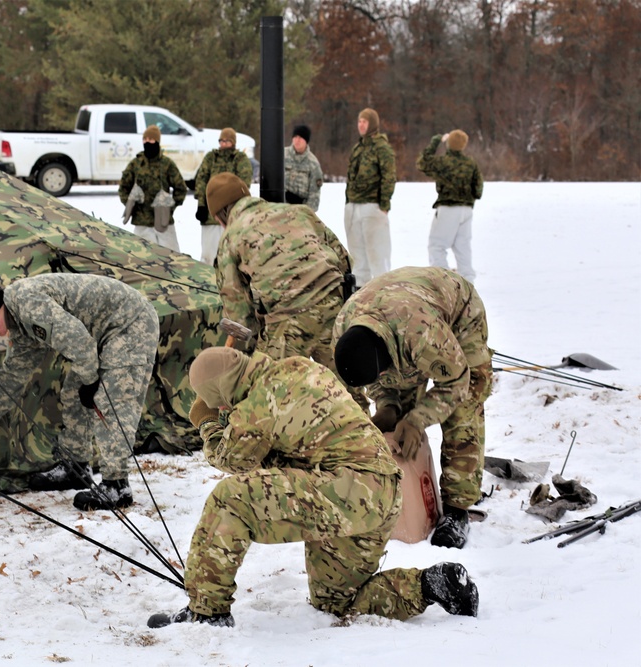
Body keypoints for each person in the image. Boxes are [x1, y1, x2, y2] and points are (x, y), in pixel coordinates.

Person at [148, 346, 479, 628]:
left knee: (230, 500)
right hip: (381, 492)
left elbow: (231, 460)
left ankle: (206, 613)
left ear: (220, 393)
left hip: (346, 488)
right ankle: (432, 585)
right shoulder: (297, 367)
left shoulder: (259, 404)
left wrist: (208, 422)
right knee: (336, 601)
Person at [0, 274, 159, 511]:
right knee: (73, 394)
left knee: (110, 399)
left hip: (130, 324)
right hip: (100, 334)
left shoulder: (29, 305)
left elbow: (78, 341)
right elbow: (15, 372)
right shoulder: (19, 322)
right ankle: (76, 467)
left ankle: (116, 485)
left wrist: (91, 381)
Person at [332, 266, 492, 549]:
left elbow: (457, 380)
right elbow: (378, 378)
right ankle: (403, 497)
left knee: (463, 409)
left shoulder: (421, 333)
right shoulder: (344, 330)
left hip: (458, 314)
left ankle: (458, 508)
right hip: (397, 319)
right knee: (399, 422)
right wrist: (388, 403)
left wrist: (418, 420)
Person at [204, 172, 366, 408]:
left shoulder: (230, 239)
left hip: (288, 322)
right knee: (348, 393)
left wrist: (241, 354)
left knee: (270, 398)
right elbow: (344, 259)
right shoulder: (298, 212)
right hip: (334, 307)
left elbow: (239, 314)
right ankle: (370, 439)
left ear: (219, 216)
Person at [417, 130, 484, 282]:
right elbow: (478, 190)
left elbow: (423, 161)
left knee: (437, 246)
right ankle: (468, 282)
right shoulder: (471, 164)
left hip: (447, 209)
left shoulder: (442, 162)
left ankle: (443, 282)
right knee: (463, 249)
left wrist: (436, 140)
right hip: (466, 210)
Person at [344, 108, 396, 285]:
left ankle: (383, 294)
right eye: (359, 121)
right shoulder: (358, 148)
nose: (361, 124)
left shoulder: (382, 148)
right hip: (353, 206)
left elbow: (389, 176)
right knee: (357, 257)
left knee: (378, 255)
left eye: (364, 121)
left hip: (372, 206)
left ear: (372, 124)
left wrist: (383, 205)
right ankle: (360, 295)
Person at [119, 124, 187, 252]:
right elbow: (123, 187)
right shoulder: (136, 164)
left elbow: (181, 188)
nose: (147, 142)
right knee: (141, 258)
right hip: (141, 222)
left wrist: (170, 208)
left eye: (150, 140)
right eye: (145, 140)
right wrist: (130, 205)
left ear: (157, 141)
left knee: (172, 258)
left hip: (163, 222)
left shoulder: (166, 164)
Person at [193, 127, 253, 265]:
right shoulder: (211, 158)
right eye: (221, 140)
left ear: (233, 142)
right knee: (208, 254)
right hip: (210, 216)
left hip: (232, 216)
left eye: (227, 141)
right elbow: (201, 180)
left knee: (231, 255)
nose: (223, 144)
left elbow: (244, 183)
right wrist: (202, 204)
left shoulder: (240, 159)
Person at [283, 124, 323, 210]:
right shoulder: (282, 156)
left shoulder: (313, 164)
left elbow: (314, 195)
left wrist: (306, 213)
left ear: (306, 141)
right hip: (280, 208)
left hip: (300, 211)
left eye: (301, 138)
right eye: (295, 137)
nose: (297, 140)